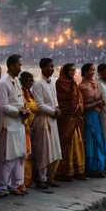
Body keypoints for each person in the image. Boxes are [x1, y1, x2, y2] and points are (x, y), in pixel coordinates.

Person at [0, 54, 29, 196]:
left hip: (19, 124)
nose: (21, 67)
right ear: (11, 65)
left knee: (19, 156)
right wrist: (20, 112)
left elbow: (19, 101)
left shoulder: (17, 81)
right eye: (19, 65)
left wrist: (24, 110)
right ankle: (1, 187)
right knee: (7, 157)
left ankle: (15, 184)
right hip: (8, 125)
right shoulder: (2, 83)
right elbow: (3, 107)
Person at [31, 58, 62, 189]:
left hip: (53, 120)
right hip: (43, 120)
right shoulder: (38, 84)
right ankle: (42, 178)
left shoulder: (52, 82)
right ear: (42, 68)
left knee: (54, 149)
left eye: (52, 66)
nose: (51, 69)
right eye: (49, 66)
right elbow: (39, 104)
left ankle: (50, 177)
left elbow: (54, 101)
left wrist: (57, 109)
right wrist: (53, 111)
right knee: (44, 150)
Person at [55, 63, 86, 181]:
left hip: (74, 117)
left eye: (74, 70)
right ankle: (64, 172)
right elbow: (63, 99)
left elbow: (77, 98)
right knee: (67, 144)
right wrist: (75, 104)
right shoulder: (60, 83)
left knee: (77, 142)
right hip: (66, 118)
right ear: (65, 71)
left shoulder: (73, 83)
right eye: (71, 70)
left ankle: (78, 171)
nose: (73, 72)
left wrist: (78, 107)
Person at [79, 63, 106, 178]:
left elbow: (100, 98)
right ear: (85, 72)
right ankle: (91, 168)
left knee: (99, 140)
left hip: (97, 115)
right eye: (90, 70)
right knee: (90, 141)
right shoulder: (82, 86)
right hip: (88, 116)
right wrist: (97, 103)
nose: (92, 72)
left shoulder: (95, 84)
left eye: (93, 70)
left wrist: (99, 103)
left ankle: (99, 168)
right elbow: (84, 106)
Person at [19, 71, 38, 191]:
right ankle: (24, 180)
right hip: (24, 126)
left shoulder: (29, 93)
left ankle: (28, 179)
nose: (30, 83)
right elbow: (26, 108)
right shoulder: (21, 92)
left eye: (32, 81)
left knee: (29, 154)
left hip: (30, 126)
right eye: (28, 81)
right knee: (24, 155)